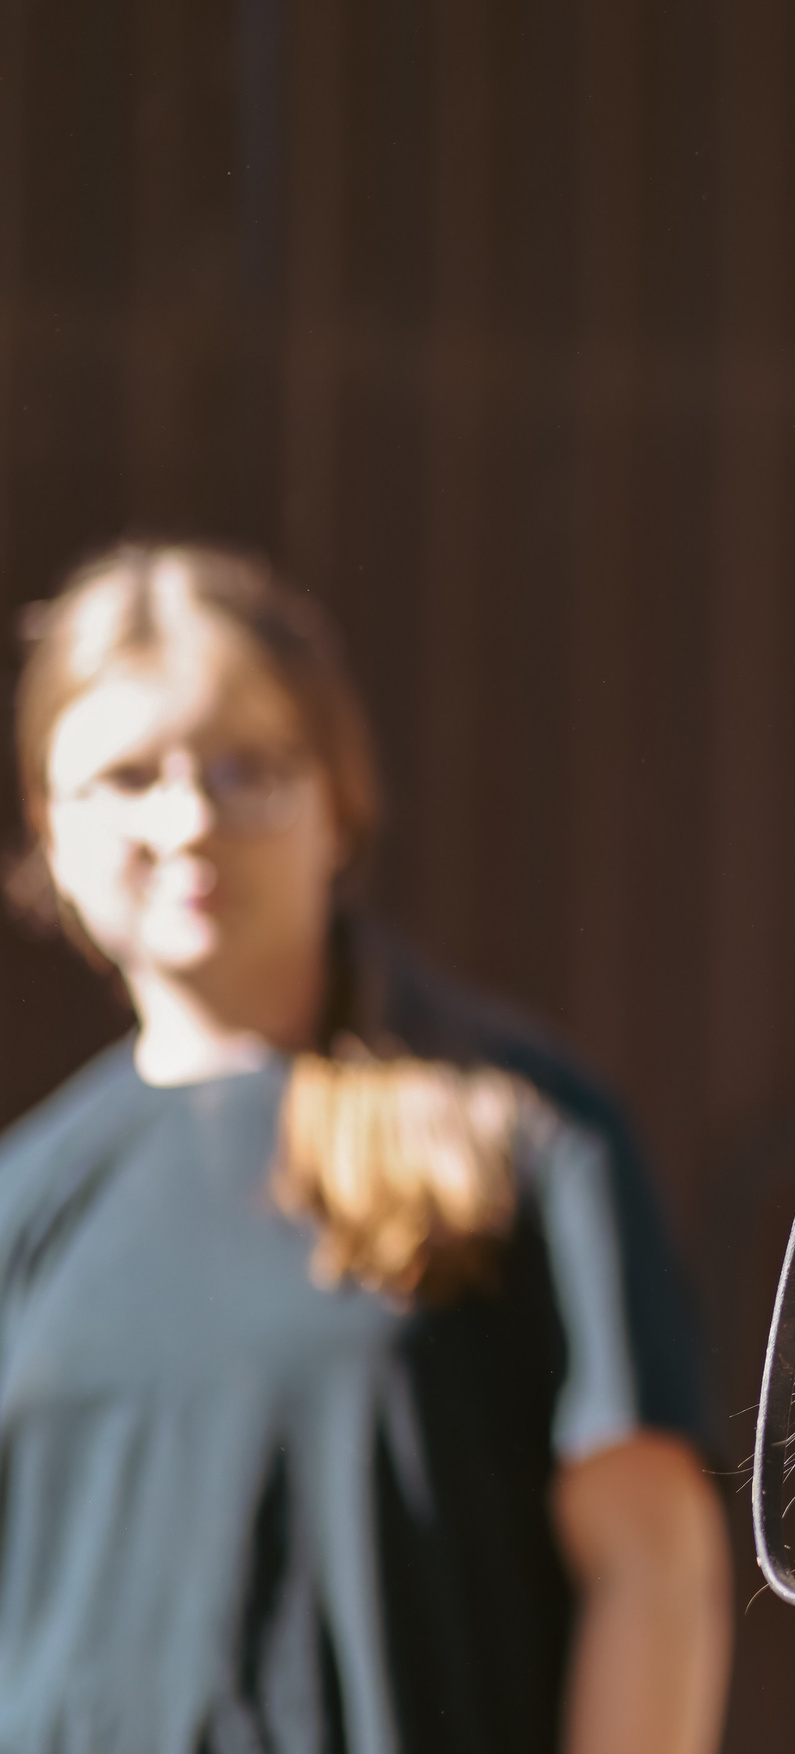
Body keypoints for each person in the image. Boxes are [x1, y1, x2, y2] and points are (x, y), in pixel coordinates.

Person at [0, 542, 731, 1754]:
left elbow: (654, 1569)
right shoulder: (28, 1197)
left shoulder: (524, 1135)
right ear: (49, 826)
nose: (187, 819)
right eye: (127, 775)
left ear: (338, 803)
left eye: (247, 768)